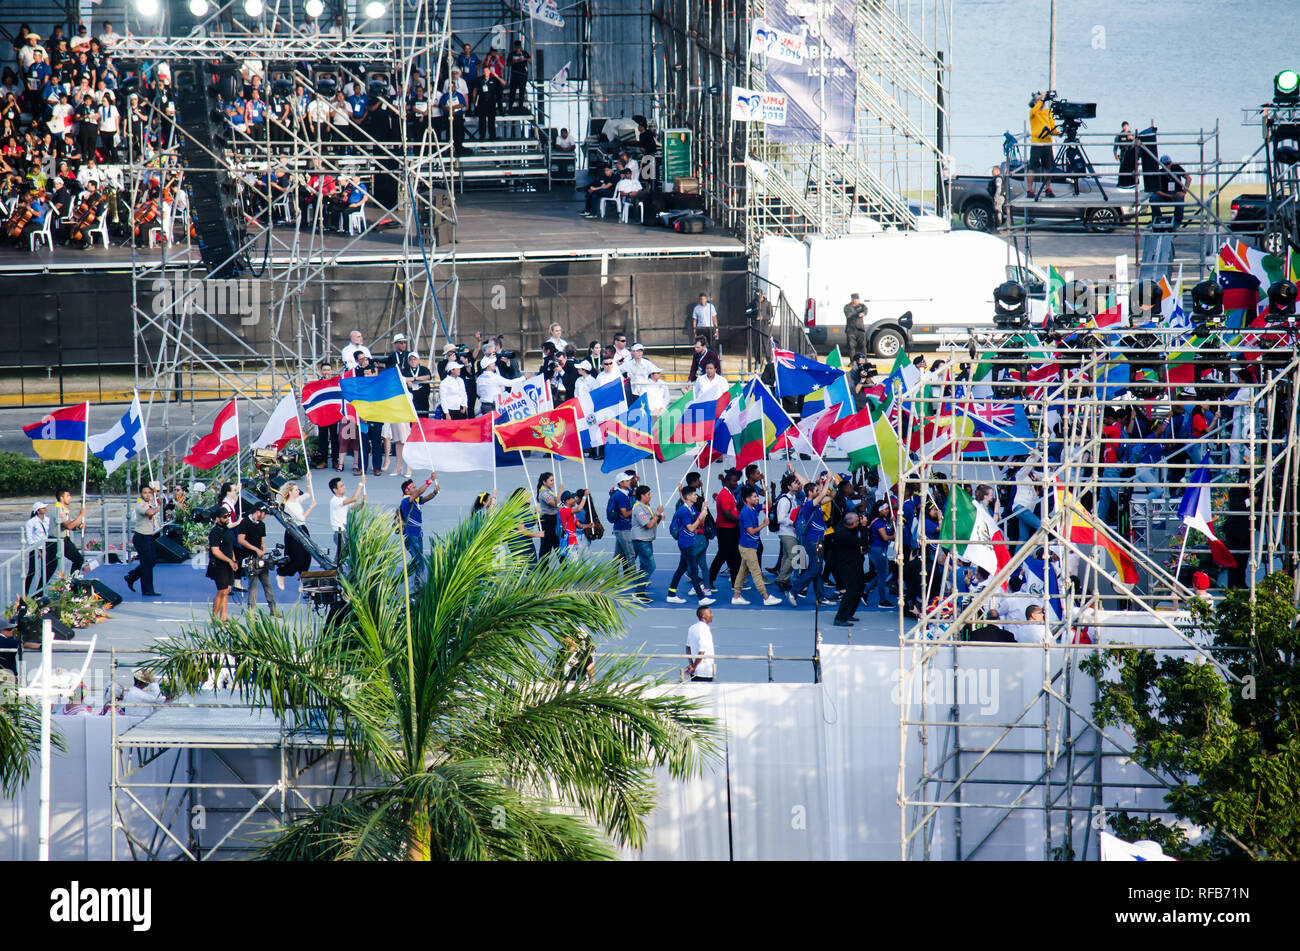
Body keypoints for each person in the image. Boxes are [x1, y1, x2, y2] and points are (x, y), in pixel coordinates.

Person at [787, 477, 838, 607]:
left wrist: (834, 485)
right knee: (814, 569)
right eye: (816, 489)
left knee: (818, 569)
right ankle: (793, 591)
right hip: (813, 541)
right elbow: (822, 495)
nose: (819, 491)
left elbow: (831, 497)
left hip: (818, 540)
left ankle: (821, 597)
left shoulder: (816, 504)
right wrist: (826, 481)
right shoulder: (809, 505)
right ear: (810, 492)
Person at [733, 486, 784, 606]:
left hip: (750, 545)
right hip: (747, 547)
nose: (757, 498)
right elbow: (751, 531)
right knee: (756, 571)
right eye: (755, 497)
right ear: (747, 499)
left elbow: (768, 505)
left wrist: (767, 493)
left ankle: (736, 595)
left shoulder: (754, 507)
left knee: (742, 571)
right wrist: (764, 524)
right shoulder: (745, 513)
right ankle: (766, 597)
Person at [666, 486, 715, 604]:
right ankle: (701, 598)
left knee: (681, 568)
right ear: (688, 497)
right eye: (694, 494)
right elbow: (692, 528)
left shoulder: (691, 508)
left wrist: (704, 511)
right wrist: (701, 516)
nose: (696, 496)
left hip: (690, 541)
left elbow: (700, 523)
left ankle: (671, 594)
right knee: (693, 570)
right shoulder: (683, 511)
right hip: (685, 542)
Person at [237, 503, 280, 616]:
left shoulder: (262, 525)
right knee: (253, 585)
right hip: (249, 558)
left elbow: (263, 541)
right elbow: (241, 540)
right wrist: (256, 549)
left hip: (260, 558)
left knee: (268, 584)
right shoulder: (245, 522)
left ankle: (273, 608)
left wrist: (263, 552)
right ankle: (251, 609)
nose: (264, 515)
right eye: (264, 513)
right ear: (257, 512)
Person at [825, 511, 866, 626]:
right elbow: (863, 542)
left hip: (853, 563)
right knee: (851, 590)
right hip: (846, 565)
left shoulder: (842, 528)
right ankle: (840, 617)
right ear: (853, 524)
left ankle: (848, 613)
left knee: (859, 588)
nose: (860, 522)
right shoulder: (845, 535)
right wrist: (863, 528)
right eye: (858, 521)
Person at [123, 484, 162, 597]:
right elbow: (150, 512)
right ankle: (147, 589)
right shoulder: (140, 505)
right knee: (146, 563)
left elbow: (159, 502)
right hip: (141, 537)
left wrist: (157, 497)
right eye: (145, 492)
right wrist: (156, 508)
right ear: (141, 494)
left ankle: (132, 576)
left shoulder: (149, 503)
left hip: (149, 536)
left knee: (152, 561)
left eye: (149, 493)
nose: (147, 495)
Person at [398, 474, 440, 576]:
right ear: (407, 491)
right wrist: (430, 480)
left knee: (417, 561)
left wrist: (434, 492)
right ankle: (416, 582)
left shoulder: (416, 500)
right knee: (419, 560)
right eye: (413, 488)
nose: (416, 489)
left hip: (418, 533)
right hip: (411, 535)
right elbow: (419, 491)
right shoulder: (405, 501)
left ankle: (402, 580)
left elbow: (426, 498)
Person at [708, 468, 742, 594]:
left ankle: (735, 583)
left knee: (735, 557)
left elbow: (731, 509)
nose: (736, 483)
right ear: (727, 482)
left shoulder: (729, 493)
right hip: (725, 530)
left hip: (732, 529)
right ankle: (709, 580)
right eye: (734, 481)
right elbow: (727, 514)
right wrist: (740, 520)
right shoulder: (724, 495)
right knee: (722, 555)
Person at [630, 484, 665, 602]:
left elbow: (653, 523)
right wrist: (657, 514)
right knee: (650, 566)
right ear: (642, 495)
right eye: (648, 494)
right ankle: (639, 591)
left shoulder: (645, 506)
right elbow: (648, 524)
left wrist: (658, 518)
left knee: (644, 566)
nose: (650, 496)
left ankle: (639, 586)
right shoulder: (638, 508)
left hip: (647, 539)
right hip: (641, 541)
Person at [277, 481, 315, 588]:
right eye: (296, 490)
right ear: (290, 492)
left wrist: (308, 480)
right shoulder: (288, 505)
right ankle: (282, 574)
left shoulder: (297, 500)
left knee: (307, 556)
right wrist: (311, 507)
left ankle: (302, 580)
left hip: (302, 529)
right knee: (297, 558)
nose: (298, 491)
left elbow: (308, 494)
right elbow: (301, 518)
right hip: (294, 531)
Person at [205, 508, 238, 621]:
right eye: (224, 517)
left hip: (228, 564)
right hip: (219, 565)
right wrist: (228, 560)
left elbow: (230, 547)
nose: (227, 518)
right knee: (222, 590)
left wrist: (233, 560)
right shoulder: (214, 532)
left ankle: (223, 616)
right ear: (217, 519)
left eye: (228, 516)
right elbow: (215, 551)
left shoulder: (227, 530)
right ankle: (214, 617)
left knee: (227, 590)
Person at [866, 500, 897, 609]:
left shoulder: (883, 520)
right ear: (880, 510)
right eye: (886, 509)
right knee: (883, 575)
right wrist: (894, 537)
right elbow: (885, 537)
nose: (888, 511)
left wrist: (891, 522)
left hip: (881, 549)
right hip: (877, 550)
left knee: (882, 574)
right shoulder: (878, 522)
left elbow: (887, 530)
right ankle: (882, 600)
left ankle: (865, 591)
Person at [1026, 91, 1057, 198]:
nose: (1041, 103)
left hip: (1047, 143)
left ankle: (1047, 188)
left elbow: (1052, 125)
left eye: (1042, 101)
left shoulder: (1048, 112)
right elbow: (1034, 110)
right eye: (1038, 101)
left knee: (1047, 167)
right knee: (1033, 167)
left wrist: (1058, 132)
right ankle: (1029, 190)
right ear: (1035, 102)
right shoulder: (1033, 112)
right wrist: (1042, 99)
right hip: (1037, 143)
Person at [328, 475, 365, 558]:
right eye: (341, 486)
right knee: (342, 556)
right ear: (335, 490)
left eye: (343, 485)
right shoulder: (335, 501)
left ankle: (335, 569)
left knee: (342, 555)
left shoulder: (344, 499)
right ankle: (334, 569)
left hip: (346, 531)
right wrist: (361, 484)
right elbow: (354, 498)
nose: (344, 487)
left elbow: (357, 508)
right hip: (340, 533)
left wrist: (363, 502)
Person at [23, 501, 55, 595]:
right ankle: (26, 592)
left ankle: (40, 591)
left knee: (45, 569)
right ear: (37, 511)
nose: (45, 509)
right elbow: (29, 538)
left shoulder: (48, 520)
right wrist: (36, 549)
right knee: (32, 571)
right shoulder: (31, 522)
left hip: (46, 546)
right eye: (43, 508)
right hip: (35, 547)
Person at [609, 470, 637, 575]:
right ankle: (635, 578)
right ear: (621, 483)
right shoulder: (620, 496)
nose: (629, 481)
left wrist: (636, 482)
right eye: (627, 480)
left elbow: (635, 492)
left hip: (620, 528)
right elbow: (625, 514)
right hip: (623, 528)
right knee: (630, 553)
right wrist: (636, 508)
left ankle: (611, 575)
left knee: (617, 555)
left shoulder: (624, 492)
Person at [1151, 154, 1189, 230]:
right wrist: (1169, 196)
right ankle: (1158, 220)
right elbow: (1156, 190)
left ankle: (1177, 222)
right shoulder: (1160, 173)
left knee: (1180, 201)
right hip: (1165, 194)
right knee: (1153, 198)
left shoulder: (1176, 168)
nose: (1167, 166)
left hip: (1176, 193)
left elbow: (1188, 178)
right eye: (1165, 165)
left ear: (1171, 162)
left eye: (1168, 164)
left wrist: (1184, 192)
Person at [53, 488, 85, 575]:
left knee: (78, 559)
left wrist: (78, 526)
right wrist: (81, 515)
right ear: (61, 498)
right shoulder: (58, 509)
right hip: (56, 540)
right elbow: (69, 525)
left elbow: (70, 525)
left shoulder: (64, 509)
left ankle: (72, 583)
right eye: (67, 496)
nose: (70, 498)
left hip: (64, 539)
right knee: (50, 568)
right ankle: (71, 583)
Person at [684, 605, 716, 682]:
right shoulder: (704, 630)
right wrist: (694, 667)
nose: (712, 615)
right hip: (704, 671)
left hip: (695, 672)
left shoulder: (692, 628)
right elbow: (702, 651)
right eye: (710, 613)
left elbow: (688, 647)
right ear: (704, 616)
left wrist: (691, 664)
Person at [535, 471, 562, 558]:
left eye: (553, 480)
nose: (553, 482)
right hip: (547, 520)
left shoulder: (549, 490)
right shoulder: (544, 493)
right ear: (544, 482)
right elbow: (555, 504)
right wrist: (560, 491)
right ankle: (543, 569)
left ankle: (565, 567)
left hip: (553, 519)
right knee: (546, 546)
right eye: (551, 480)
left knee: (557, 544)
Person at [505, 40, 531, 113]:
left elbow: (530, 60)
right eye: (516, 47)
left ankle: (520, 107)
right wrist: (515, 61)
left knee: (522, 92)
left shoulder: (524, 53)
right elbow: (508, 64)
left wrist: (524, 59)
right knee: (512, 91)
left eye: (519, 47)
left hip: (523, 75)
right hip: (515, 75)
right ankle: (510, 107)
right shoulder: (512, 54)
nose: (518, 49)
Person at [844, 293, 868, 358]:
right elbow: (848, 315)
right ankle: (852, 361)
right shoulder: (847, 307)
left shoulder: (862, 306)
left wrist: (863, 313)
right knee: (851, 346)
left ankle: (864, 360)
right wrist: (857, 313)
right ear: (852, 299)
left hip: (860, 329)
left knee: (862, 346)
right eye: (855, 299)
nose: (857, 300)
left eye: (858, 299)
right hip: (851, 329)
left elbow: (865, 310)